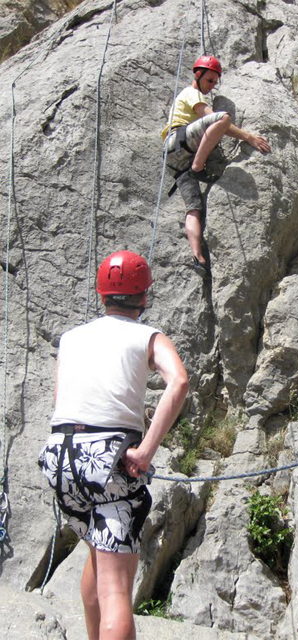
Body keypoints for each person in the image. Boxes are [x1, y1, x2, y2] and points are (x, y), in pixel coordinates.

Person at [38, 250, 189, 640]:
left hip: (60, 458)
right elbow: (179, 381)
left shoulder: (71, 338)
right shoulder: (148, 336)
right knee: (115, 589)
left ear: (101, 292)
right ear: (144, 296)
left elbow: (60, 400)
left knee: (99, 557)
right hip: (108, 462)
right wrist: (146, 452)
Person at [161, 55, 271, 277]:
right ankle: (198, 167)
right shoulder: (191, 93)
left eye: (215, 82)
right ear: (197, 75)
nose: (212, 86)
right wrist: (248, 136)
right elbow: (216, 120)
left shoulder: (194, 94)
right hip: (179, 141)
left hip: (175, 159)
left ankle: (198, 258)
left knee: (194, 208)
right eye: (209, 80)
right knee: (223, 118)